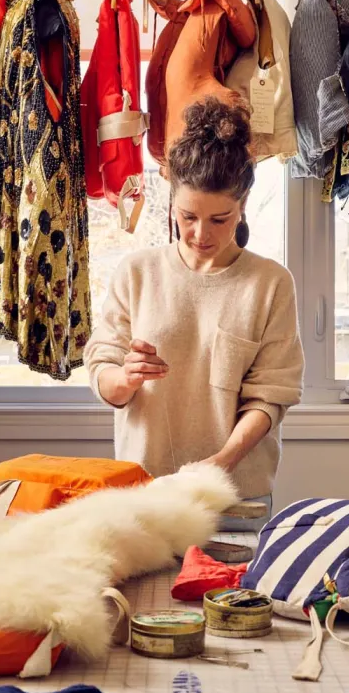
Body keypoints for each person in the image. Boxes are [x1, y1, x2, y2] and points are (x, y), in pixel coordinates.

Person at [84, 98, 305, 529]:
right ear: (171, 203)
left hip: (234, 497)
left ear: (242, 206)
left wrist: (220, 464)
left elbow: (270, 398)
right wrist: (125, 378)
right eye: (188, 216)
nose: (201, 234)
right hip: (142, 493)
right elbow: (103, 375)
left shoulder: (270, 284)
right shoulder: (137, 272)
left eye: (219, 220)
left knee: (233, 597)